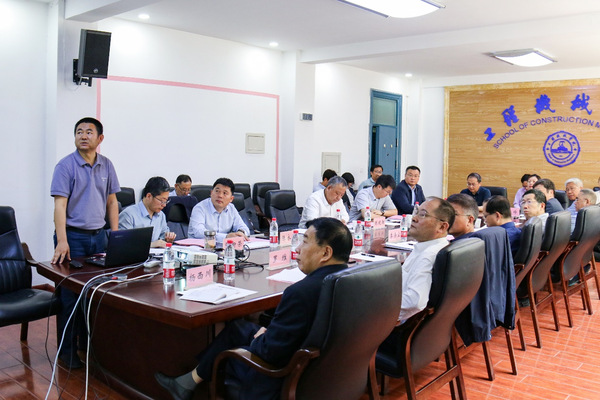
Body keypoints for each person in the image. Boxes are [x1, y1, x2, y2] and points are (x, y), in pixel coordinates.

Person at [154, 217, 352, 400]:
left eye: (305, 242)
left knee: (232, 347)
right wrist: (272, 331)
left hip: (280, 377)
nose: (298, 248)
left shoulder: (300, 293)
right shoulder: (352, 282)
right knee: (237, 328)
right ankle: (188, 380)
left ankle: (194, 386)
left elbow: (270, 352)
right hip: (332, 374)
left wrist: (262, 338)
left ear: (326, 253)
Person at [50, 117, 120, 368]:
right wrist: (62, 240)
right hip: (73, 238)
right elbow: (60, 205)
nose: (83, 135)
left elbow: (112, 202)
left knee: (95, 295)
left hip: (99, 237)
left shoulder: (107, 165)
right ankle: (67, 352)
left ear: (100, 138)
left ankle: (87, 346)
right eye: (79, 131)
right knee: (70, 297)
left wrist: (115, 236)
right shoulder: (65, 166)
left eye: (89, 132)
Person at [399, 197, 454, 321]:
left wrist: (379, 312)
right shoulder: (431, 246)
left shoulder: (428, 256)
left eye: (423, 215)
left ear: (442, 227)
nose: (414, 218)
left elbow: (415, 301)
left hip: (394, 322)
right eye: (416, 212)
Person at [119, 176, 176, 247]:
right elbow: (123, 244)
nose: (164, 205)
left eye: (166, 201)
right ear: (149, 196)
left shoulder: (161, 215)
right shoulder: (128, 215)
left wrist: (168, 239)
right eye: (162, 201)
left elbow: (163, 238)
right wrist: (152, 244)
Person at [188, 178, 250, 242]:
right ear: (211, 193)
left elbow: (244, 228)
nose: (220, 196)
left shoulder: (231, 208)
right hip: (199, 245)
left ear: (231, 199)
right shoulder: (200, 208)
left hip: (223, 246)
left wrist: (240, 233)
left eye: (225, 193)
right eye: (217, 191)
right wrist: (226, 237)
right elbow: (199, 233)